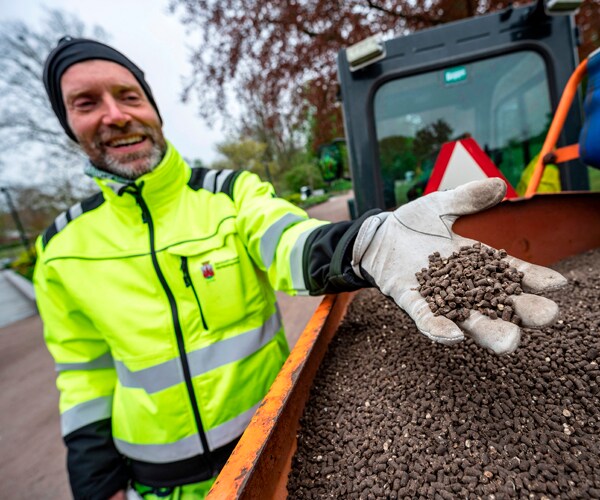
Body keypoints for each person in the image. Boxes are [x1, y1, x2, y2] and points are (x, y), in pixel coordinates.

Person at [34, 37, 566, 500]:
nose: (114, 115)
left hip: (272, 445)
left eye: (128, 96)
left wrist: (367, 241)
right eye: (86, 103)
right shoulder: (60, 247)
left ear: (152, 106)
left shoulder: (227, 195)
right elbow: (83, 377)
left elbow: (288, 240)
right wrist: (97, 484)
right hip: (159, 484)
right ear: (68, 124)